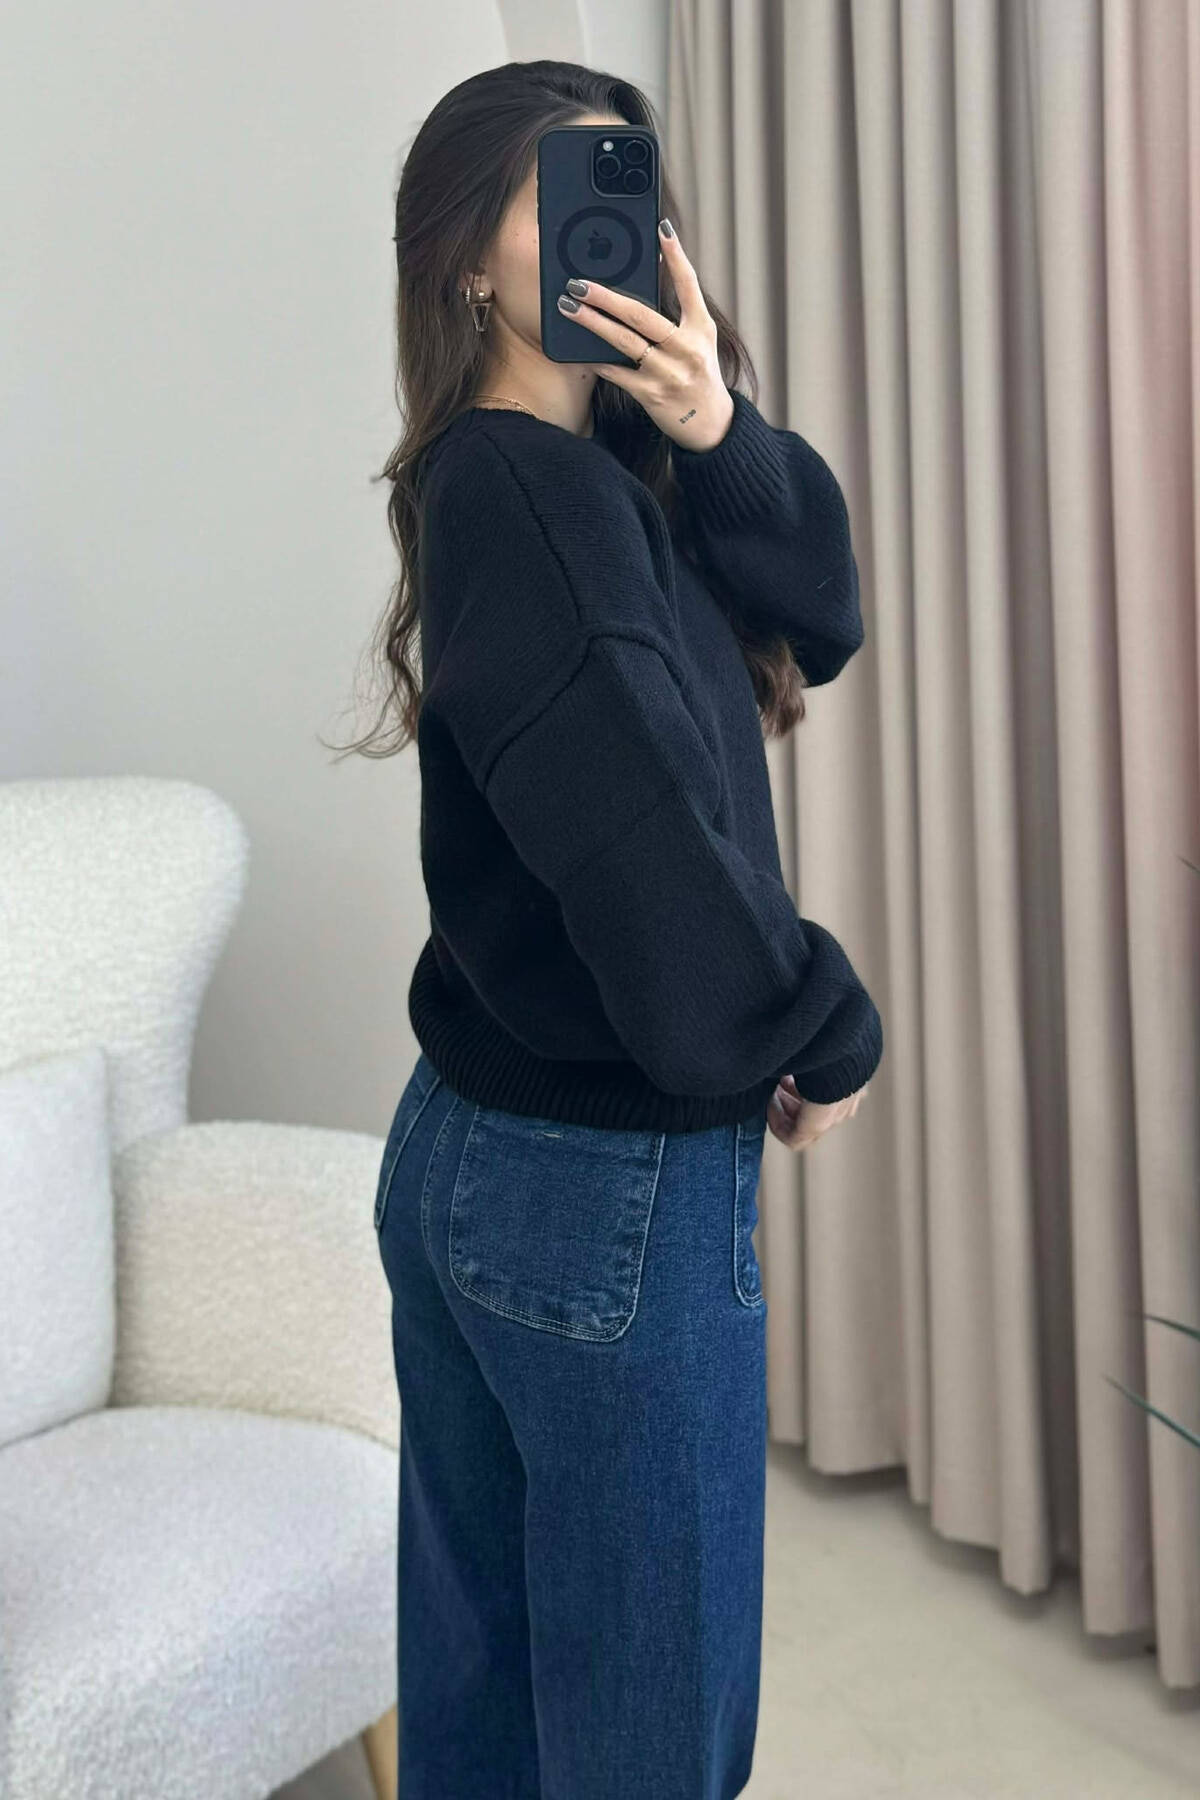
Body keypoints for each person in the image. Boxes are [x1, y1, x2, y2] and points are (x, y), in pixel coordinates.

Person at [341, 58, 883, 1800]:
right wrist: (812, 1026)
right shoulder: (531, 495)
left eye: (628, 186)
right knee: (647, 1755)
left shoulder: (577, 476)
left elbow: (824, 611)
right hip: (601, 1194)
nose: (615, 228)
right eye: (559, 192)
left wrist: (716, 423)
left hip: (487, 1155)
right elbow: (636, 836)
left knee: (492, 1722)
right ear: (466, 262)